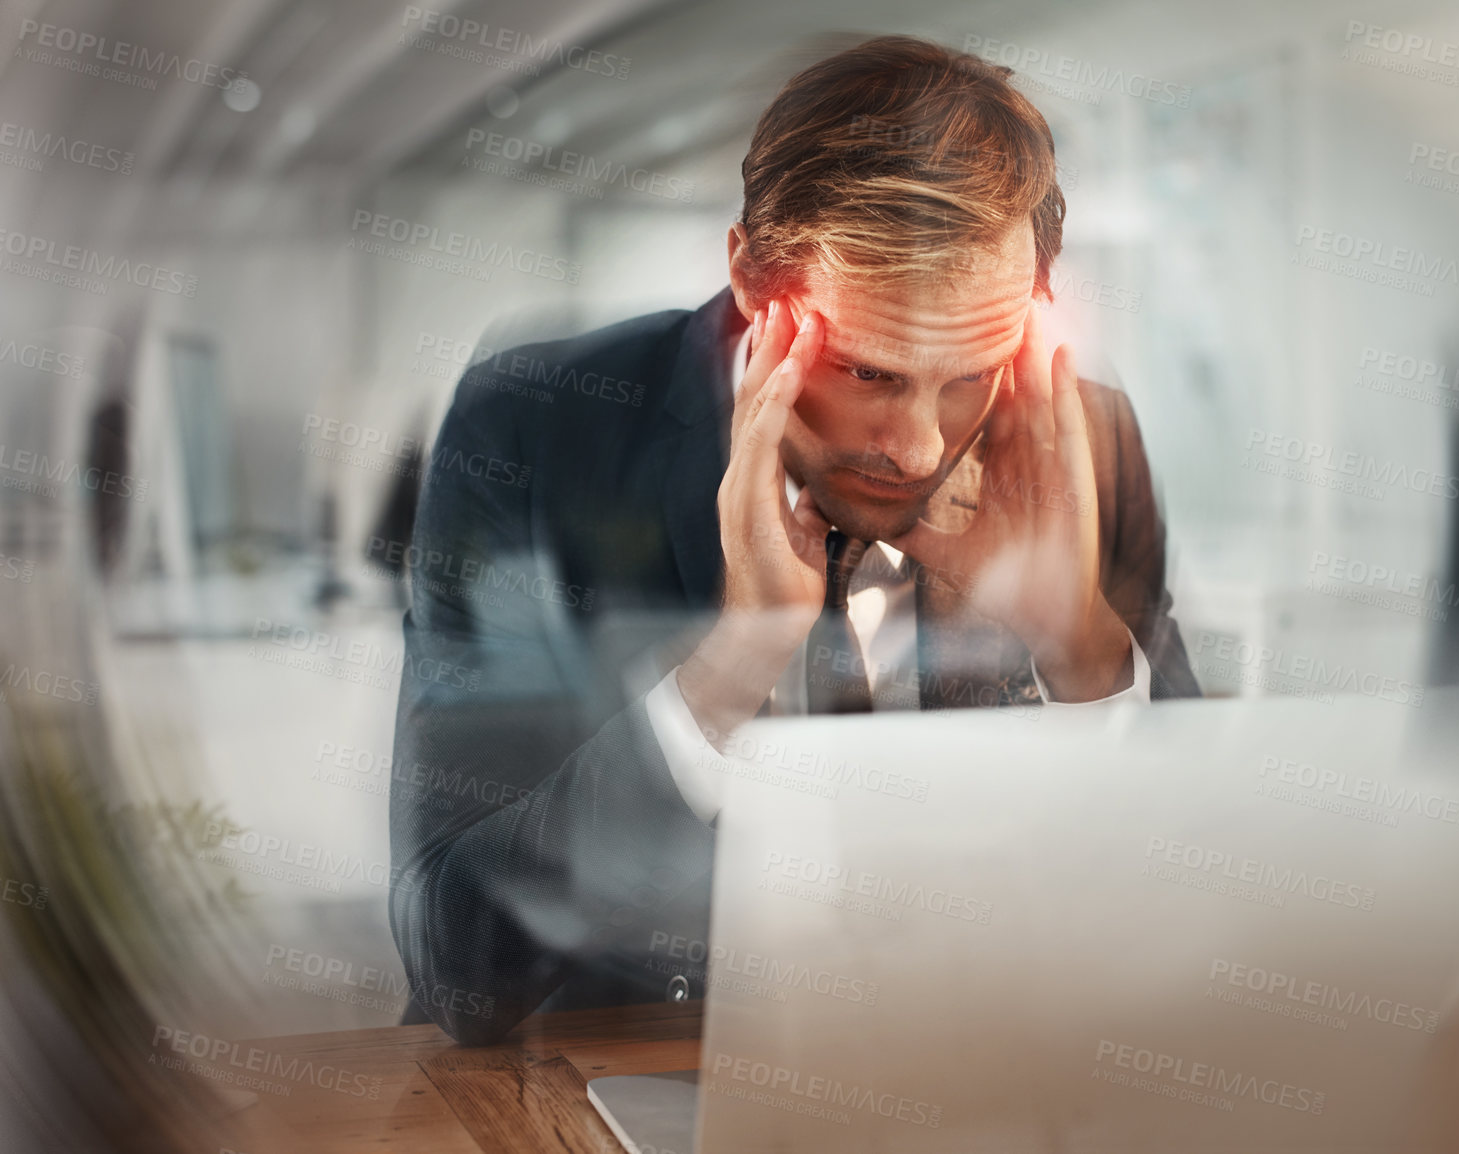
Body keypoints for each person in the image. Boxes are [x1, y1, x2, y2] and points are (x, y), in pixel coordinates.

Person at [389, 34, 1199, 1046]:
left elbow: (1196, 921)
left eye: (967, 373)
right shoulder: (537, 426)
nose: (917, 448)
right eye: (867, 371)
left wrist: (1076, 646)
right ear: (745, 275)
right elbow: (458, 958)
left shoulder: (1084, 440)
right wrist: (727, 671)